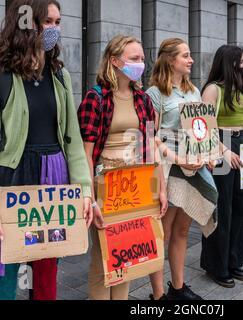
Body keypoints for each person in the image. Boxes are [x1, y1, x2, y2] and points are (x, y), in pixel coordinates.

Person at [0, 0, 93, 300]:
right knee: (1, 282)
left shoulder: (60, 75)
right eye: (47, 21)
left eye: (58, 22)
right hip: (9, 186)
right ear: (25, 23)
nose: (55, 29)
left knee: (46, 278)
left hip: (54, 184)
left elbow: (72, 141)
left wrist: (85, 192)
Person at [78, 35, 168, 300]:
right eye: (134, 58)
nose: (141, 63)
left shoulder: (143, 101)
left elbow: (151, 147)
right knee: (103, 255)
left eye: (142, 58)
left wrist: (160, 188)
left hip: (137, 185)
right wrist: (90, 198)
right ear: (115, 61)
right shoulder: (96, 98)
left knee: (128, 256)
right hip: (105, 186)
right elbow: (86, 153)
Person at [146, 38, 218, 300]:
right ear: (170, 60)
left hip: (193, 167)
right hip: (168, 169)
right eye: (185, 56)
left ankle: (178, 286)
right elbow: (149, 137)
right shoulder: (154, 94)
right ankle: (157, 294)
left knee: (183, 230)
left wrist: (209, 153)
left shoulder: (194, 91)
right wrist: (176, 157)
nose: (191, 60)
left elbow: (202, 129)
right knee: (161, 234)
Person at [199, 45, 243, 288]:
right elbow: (204, 128)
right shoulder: (212, 90)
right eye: (241, 61)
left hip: (242, 142)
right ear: (229, 63)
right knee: (222, 208)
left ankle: (233, 260)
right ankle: (215, 265)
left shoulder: (238, 87)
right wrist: (224, 151)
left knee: (240, 205)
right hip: (221, 144)